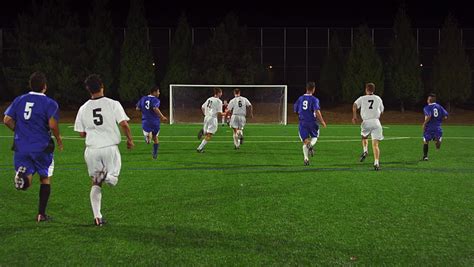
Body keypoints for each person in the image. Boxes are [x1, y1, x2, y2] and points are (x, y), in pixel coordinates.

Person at [74, 74, 134, 226]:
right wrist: (130, 139)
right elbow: (124, 124)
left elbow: (81, 133)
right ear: (102, 86)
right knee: (112, 180)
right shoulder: (112, 104)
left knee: (95, 183)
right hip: (109, 148)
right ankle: (107, 176)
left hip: (92, 150)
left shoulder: (83, 108)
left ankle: (97, 217)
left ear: (88, 90)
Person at [3, 71, 63, 222]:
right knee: (45, 178)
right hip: (41, 146)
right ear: (45, 87)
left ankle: (23, 176)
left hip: (21, 146)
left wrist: (20, 131)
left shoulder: (19, 99)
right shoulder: (50, 103)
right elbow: (52, 125)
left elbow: (7, 119)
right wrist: (59, 139)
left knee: (27, 177)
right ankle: (41, 214)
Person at [352, 83, 384, 171]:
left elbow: (354, 105)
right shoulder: (378, 98)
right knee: (375, 145)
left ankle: (365, 150)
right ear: (374, 90)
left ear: (366, 89)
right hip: (376, 122)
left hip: (366, 122)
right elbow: (382, 111)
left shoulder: (362, 98)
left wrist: (354, 116)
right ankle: (376, 163)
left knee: (364, 136)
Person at [294, 82, 327, 166]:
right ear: (313, 89)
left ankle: (306, 158)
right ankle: (310, 145)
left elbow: (296, 110)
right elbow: (317, 111)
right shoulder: (314, 99)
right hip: (312, 122)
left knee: (305, 141)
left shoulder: (300, 98)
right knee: (315, 137)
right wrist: (322, 121)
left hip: (303, 122)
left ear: (306, 88)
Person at [136, 86, 168, 159]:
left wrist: (145, 111)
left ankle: (147, 137)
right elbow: (155, 108)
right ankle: (155, 153)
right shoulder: (156, 100)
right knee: (155, 137)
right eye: (158, 91)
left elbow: (137, 108)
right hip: (155, 122)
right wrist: (162, 117)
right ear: (154, 92)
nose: (159, 93)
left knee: (148, 140)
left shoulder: (143, 98)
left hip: (146, 121)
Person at [422, 93, 448, 161]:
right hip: (437, 127)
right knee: (437, 147)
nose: (427, 100)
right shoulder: (439, 106)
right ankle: (438, 140)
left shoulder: (426, 107)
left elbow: (429, 116)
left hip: (429, 128)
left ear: (429, 100)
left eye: (428, 99)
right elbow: (445, 116)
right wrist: (438, 120)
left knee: (425, 141)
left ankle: (425, 156)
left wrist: (424, 124)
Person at [197, 88, 224, 153]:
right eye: (221, 92)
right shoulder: (219, 101)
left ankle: (203, 132)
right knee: (209, 135)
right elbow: (219, 113)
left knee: (207, 132)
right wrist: (226, 113)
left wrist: (205, 114)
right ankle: (199, 148)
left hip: (206, 117)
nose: (221, 94)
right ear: (219, 93)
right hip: (213, 118)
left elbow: (202, 107)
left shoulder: (209, 99)